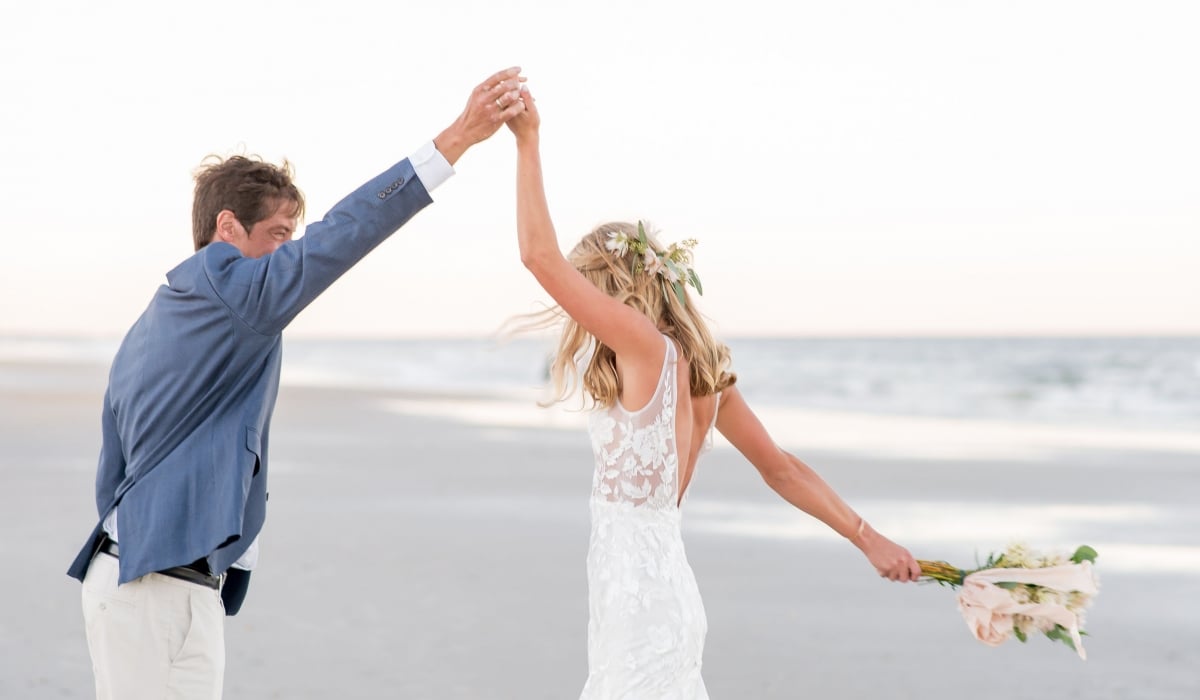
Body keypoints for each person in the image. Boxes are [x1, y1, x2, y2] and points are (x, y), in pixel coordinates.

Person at [65, 66, 528, 700]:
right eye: (279, 236)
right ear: (227, 229)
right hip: (147, 588)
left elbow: (113, 468)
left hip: (170, 583)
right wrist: (457, 138)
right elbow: (344, 233)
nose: (290, 252)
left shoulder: (157, 318)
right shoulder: (234, 290)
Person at [504, 87, 923, 698]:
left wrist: (528, 141)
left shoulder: (645, 348)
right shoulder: (703, 374)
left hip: (638, 609)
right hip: (658, 595)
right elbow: (781, 470)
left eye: (588, 291)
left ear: (613, 287)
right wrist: (867, 537)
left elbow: (538, 257)